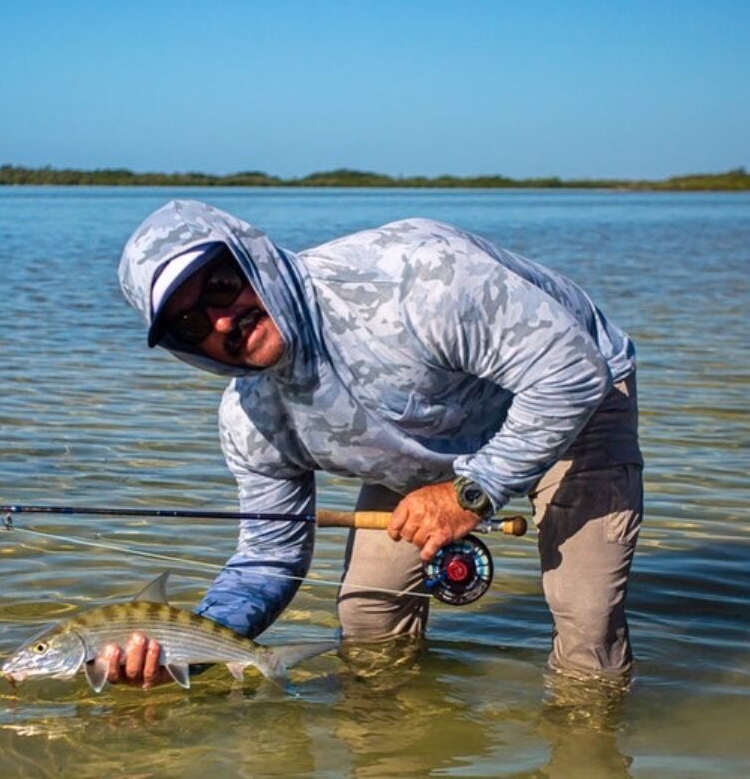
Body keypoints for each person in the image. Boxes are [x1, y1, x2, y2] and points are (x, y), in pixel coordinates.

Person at [107, 199, 642, 688]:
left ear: (253, 258)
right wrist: (184, 646)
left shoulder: (414, 280)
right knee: (368, 620)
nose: (223, 319)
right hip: (426, 451)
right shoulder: (249, 419)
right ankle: (398, 746)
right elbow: (270, 556)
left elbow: (570, 373)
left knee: (586, 628)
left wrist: (471, 493)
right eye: (192, 322)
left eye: (221, 286)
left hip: (574, 399)